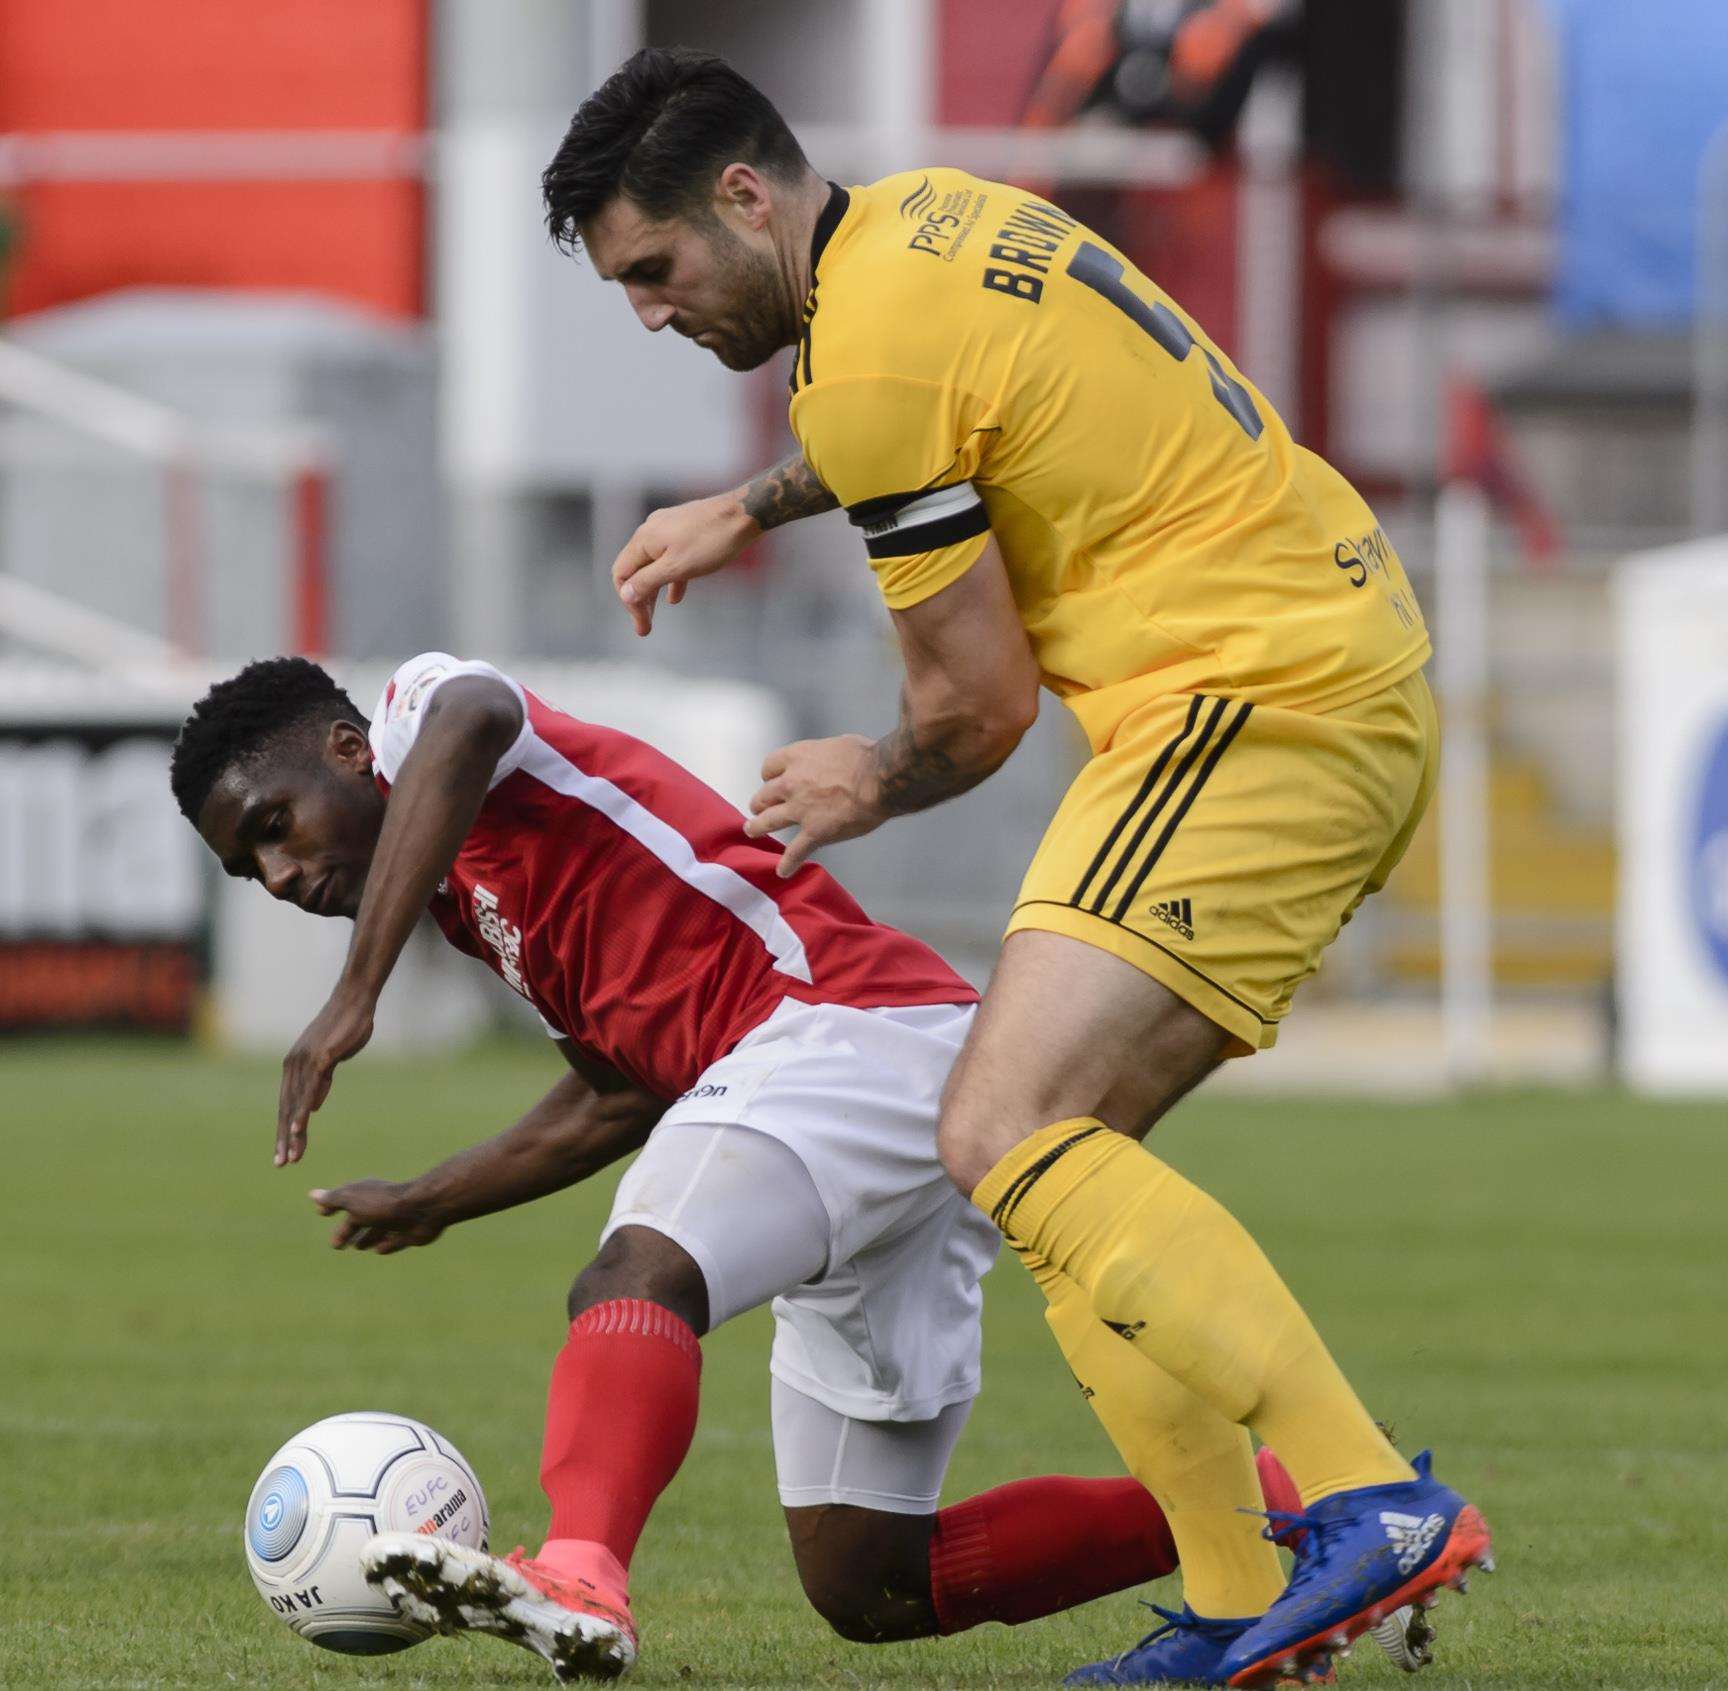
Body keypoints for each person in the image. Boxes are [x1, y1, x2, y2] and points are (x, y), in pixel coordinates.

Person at [541, 47, 1492, 1688]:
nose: (649, 311)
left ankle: (1360, 1500)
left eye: (655, 269)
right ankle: (1225, 1600)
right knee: (1055, 1157)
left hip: (1249, 696)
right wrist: (749, 508)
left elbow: (973, 716)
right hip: (1314, 662)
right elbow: (930, 405)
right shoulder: (928, 220)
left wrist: (864, 775)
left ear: (745, 197)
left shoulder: (862, 372)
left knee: (996, 1124)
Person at [169, 651, 1330, 1684]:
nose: (277, 873)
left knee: (636, 1271)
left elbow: (475, 709)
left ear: (347, 749)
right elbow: (619, 1088)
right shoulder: (471, 901)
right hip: (862, 1087)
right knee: (871, 1577)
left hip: (836, 1028)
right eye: (247, 867)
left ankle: (578, 1572)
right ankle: (1292, 1518)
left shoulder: (427, 707)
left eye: (274, 824)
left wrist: (354, 996)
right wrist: (433, 1196)